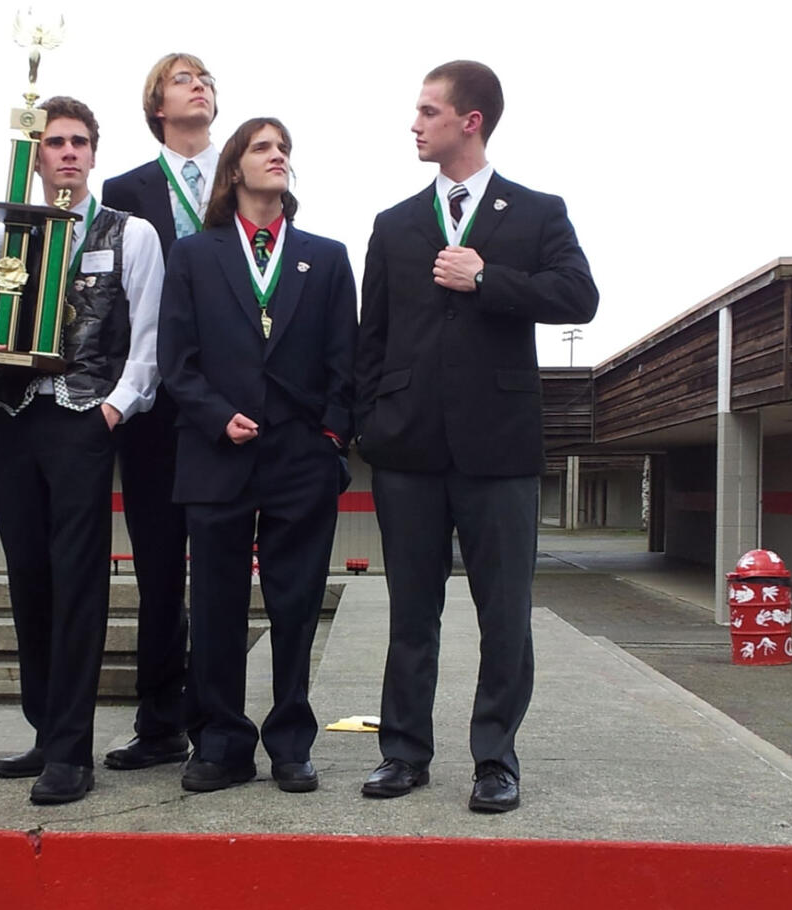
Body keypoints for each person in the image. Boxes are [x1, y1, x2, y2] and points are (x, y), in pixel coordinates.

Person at [0, 96, 164, 804]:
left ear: (95, 153)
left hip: (85, 420)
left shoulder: (129, 232)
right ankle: (48, 730)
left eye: (80, 141)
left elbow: (149, 341)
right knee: (28, 578)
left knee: (79, 579)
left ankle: (73, 751)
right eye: (55, 143)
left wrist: (114, 408)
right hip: (14, 420)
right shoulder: (3, 237)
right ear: (37, 156)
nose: (69, 152)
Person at [355, 61, 599, 811]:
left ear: (471, 121)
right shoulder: (393, 224)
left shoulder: (536, 212)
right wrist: (372, 425)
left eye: (428, 111)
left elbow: (579, 297)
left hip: (499, 449)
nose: (415, 123)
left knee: (505, 613)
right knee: (410, 611)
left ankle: (496, 758)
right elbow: (373, 340)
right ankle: (404, 753)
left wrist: (488, 278)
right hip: (409, 450)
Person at [158, 117, 356, 793]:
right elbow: (175, 362)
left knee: (295, 604)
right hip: (217, 454)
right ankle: (219, 743)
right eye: (262, 148)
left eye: (284, 149)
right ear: (234, 169)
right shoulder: (194, 255)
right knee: (214, 606)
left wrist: (330, 439)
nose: (278, 157)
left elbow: (344, 362)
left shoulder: (325, 257)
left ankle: (291, 743)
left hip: (300, 458)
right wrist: (218, 417)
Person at [99, 52, 219, 770]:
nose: (199, 87)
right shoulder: (123, 191)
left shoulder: (242, 186)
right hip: (151, 414)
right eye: (184, 80)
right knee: (158, 575)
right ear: (156, 106)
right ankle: (158, 722)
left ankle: (218, 721)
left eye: (206, 79)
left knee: (220, 570)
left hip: (224, 409)